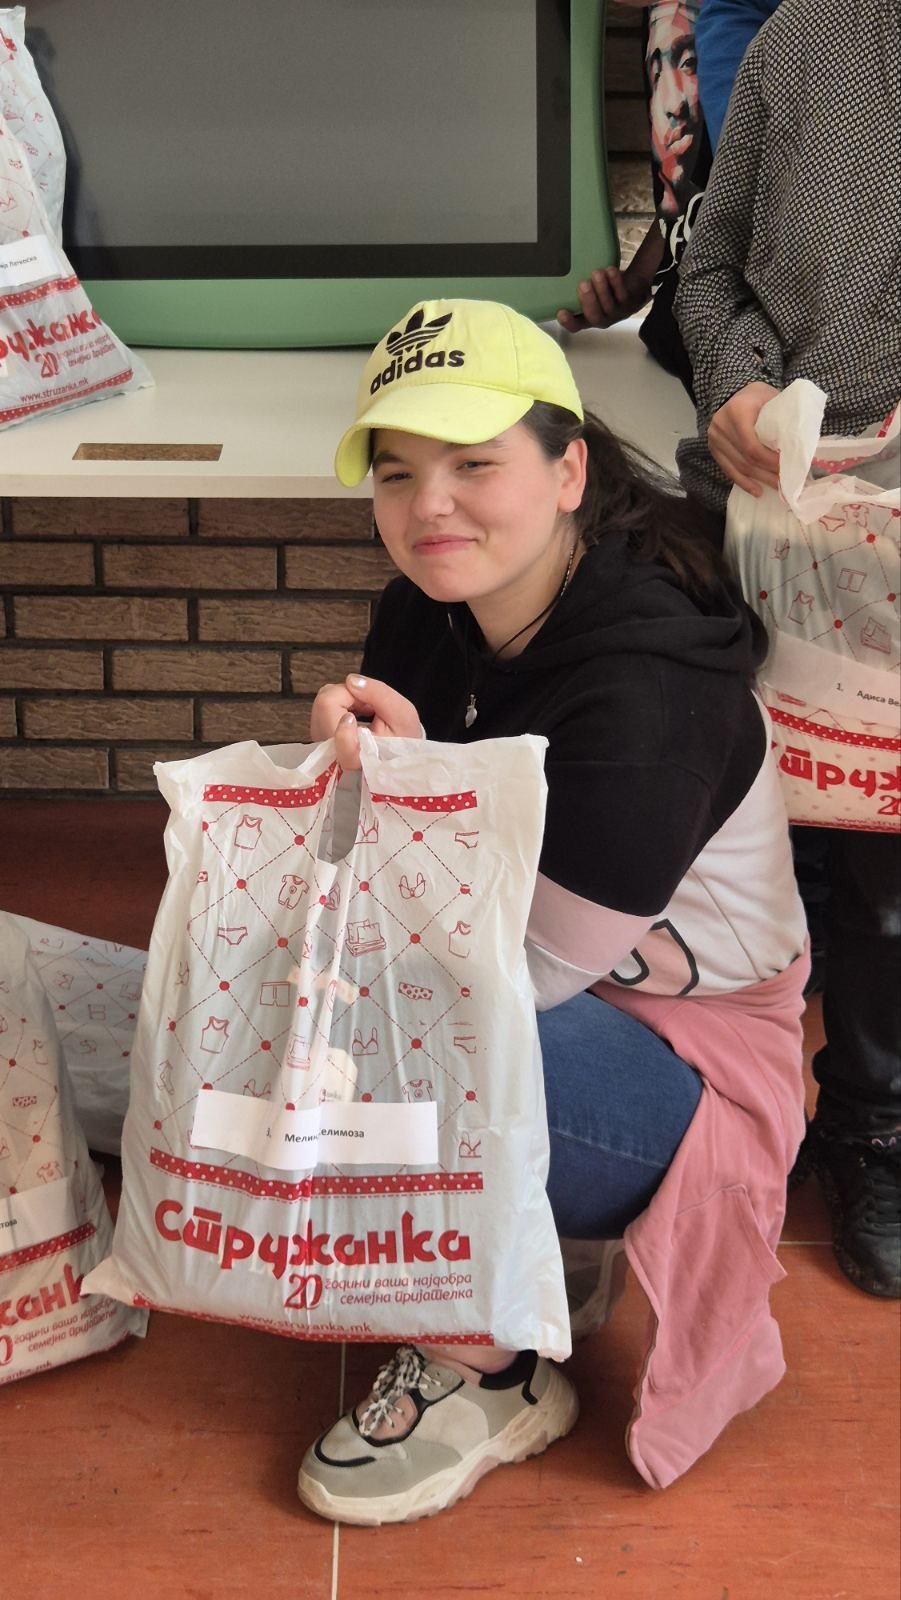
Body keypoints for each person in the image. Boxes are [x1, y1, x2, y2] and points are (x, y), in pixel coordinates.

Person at [295, 298, 810, 1526]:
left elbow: (503, 977)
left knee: (369, 1037)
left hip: (687, 1062)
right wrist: (369, 778)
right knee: (277, 1002)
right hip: (528, 987)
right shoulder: (428, 606)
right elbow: (392, 880)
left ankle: (492, 1371)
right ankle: (539, 1247)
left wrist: (388, 839)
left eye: (474, 464)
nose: (430, 506)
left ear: (569, 470)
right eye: (398, 471)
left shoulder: (647, 692)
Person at [675, 0, 901, 1297]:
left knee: (887, 876)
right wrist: (736, 383)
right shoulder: (806, 40)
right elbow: (710, 273)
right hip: (800, 526)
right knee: (794, 839)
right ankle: (783, 1112)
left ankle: (874, 1126)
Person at [559, 1, 710, 397]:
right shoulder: (668, 10)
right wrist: (641, 278)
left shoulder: (763, 20)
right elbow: (694, 184)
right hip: (676, 346)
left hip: (755, 376)